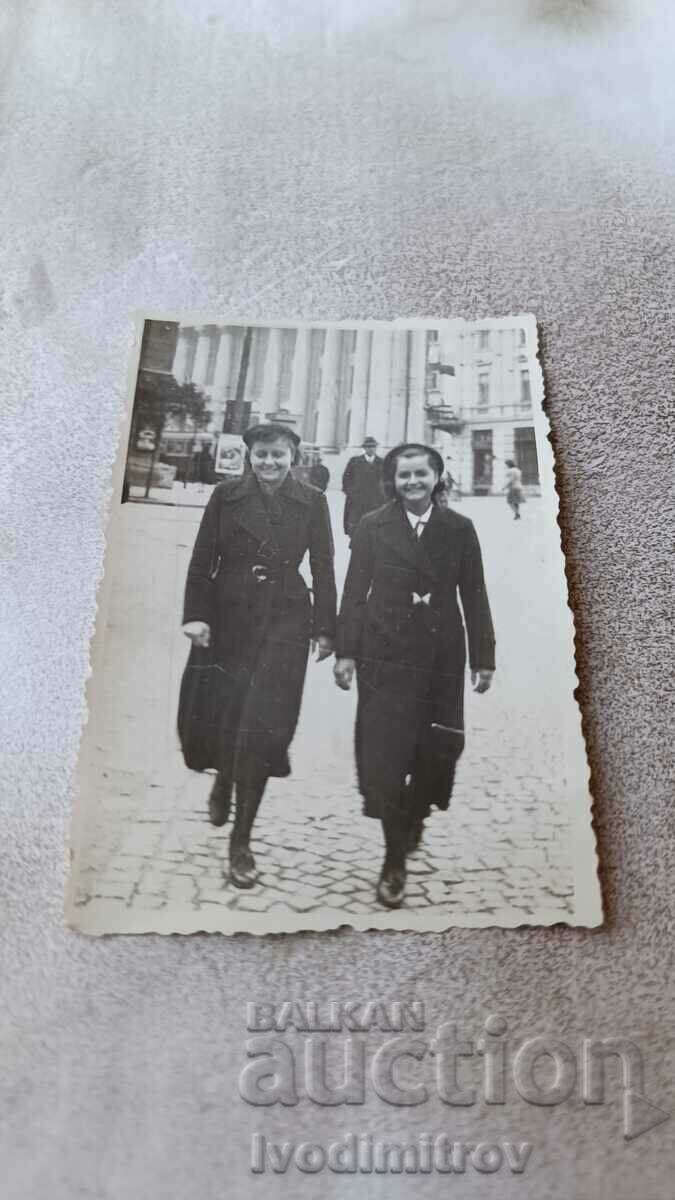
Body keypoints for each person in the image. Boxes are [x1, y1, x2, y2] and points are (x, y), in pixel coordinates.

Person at [334, 442, 495, 909]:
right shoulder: (372, 526)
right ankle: (392, 859)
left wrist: (483, 658)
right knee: (386, 754)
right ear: (393, 481)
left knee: (440, 748)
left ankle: (418, 809)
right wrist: (346, 652)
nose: (412, 483)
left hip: (441, 658)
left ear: (437, 475)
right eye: (403, 476)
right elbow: (353, 591)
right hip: (383, 656)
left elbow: (476, 595)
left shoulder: (459, 529)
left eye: (420, 474)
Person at [179, 423, 337, 888]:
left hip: (286, 619)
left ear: (295, 456)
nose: (269, 463)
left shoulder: (313, 501)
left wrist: (327, 629)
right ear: (250, 456)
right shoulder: (226, 496)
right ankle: (223, 778)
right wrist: (196, 615)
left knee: (263, 725)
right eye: (262, 455)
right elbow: (202, 559)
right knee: (227, 715)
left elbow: (325, 568)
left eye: (278, 455)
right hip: (228, 619)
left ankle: (241, 839)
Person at [341, 436, 384, 541]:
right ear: (364, 448)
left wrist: (383, 495)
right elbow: (346, 478)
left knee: (374, 526)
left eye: (373, 447)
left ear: (376, 448)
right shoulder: (355, 461)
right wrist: (351, 493)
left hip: (375, 501)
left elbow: (387, 480)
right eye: (368, 447)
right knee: (355, 527)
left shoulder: (382, 463)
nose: (371, 449)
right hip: (357, 501)